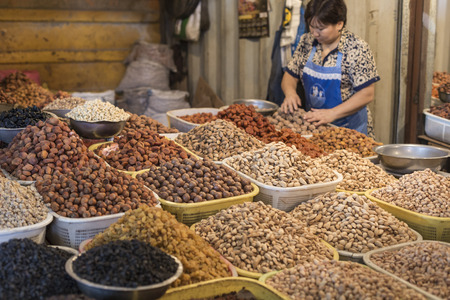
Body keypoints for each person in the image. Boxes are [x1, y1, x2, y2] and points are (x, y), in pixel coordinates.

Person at [280, 0, 380, 135]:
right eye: (312, 26)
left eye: (321, 28)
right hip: (317, 126)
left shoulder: (357, 48)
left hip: (350, 129)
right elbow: (290, 74)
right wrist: (290, 92)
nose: (315, 33)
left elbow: (367, 94)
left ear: (339, 24)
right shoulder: (307, 41)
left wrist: (332, 113)